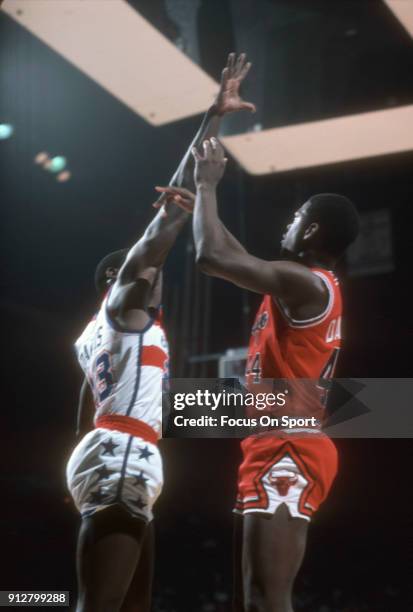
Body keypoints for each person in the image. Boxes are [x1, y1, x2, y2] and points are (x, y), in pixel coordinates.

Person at [66, 53, 255, 612]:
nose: (158, 280)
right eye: (147, 273)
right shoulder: (125, 303)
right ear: (119, 278)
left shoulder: (93, 337)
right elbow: (166, 221)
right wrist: (212, 120)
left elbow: (84, 412)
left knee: (131, 605)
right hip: (124, 452)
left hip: (111, 450)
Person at [165, 138, 359, 612]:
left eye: (295, 218)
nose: (287, 223)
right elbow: (233, 253)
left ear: (311, 231)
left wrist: (207, 185)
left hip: (288, 442)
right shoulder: (307, 283)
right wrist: (202, 209)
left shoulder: (302, 283)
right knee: (252, 599)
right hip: (277, 437)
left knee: (266, 600)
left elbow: (211, 258)